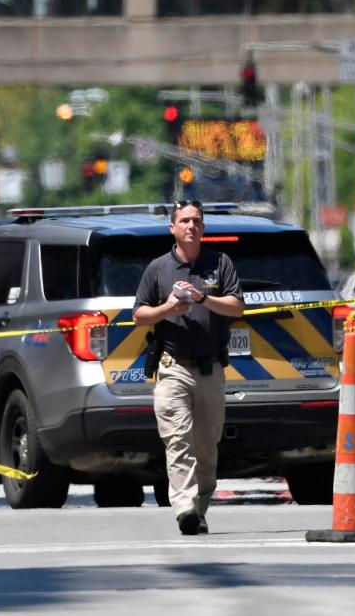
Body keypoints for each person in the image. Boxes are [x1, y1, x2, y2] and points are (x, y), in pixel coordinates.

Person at [132, 201, 244, 536]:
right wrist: (168, 307)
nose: (191, 226)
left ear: (203, 228)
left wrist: (203, 300)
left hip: (210, 370)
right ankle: (184, 508)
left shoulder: (220, 263)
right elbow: (139, 316)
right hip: (172, 368)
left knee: (207, 445)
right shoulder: (158, 269)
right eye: (184, 221)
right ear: (173, 228)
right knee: (177, 440)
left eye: (196, 221)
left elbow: (237, 306)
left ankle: (200, 508)